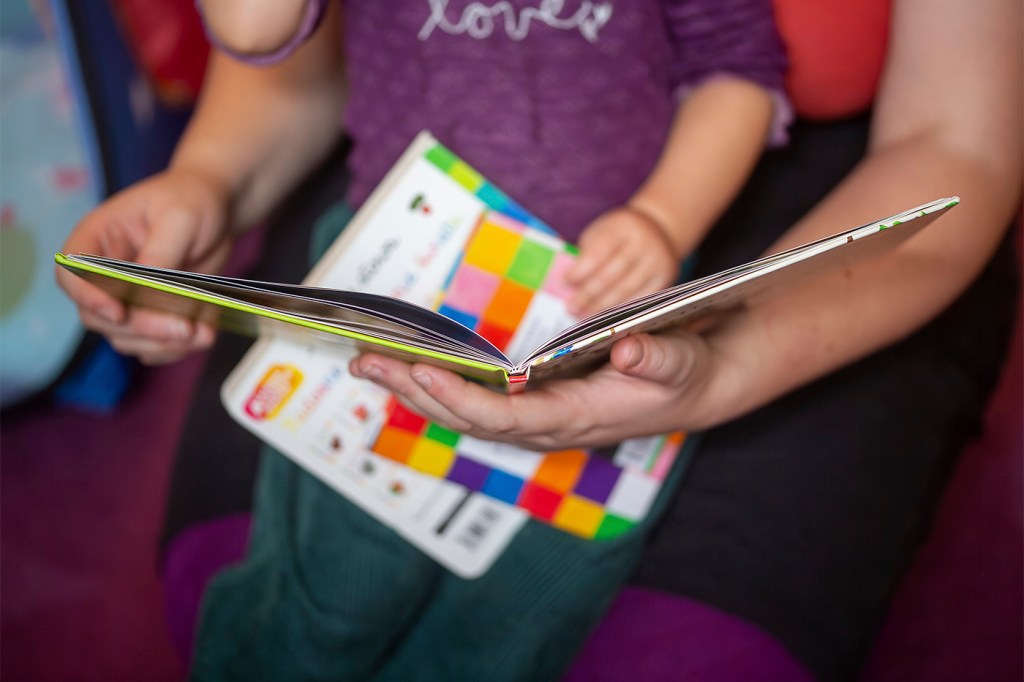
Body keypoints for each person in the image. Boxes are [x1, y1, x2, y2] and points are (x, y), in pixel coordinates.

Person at [55, 1, 794, 680]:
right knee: (332, 589)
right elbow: (253, 29)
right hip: (402, 273)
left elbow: (736, 72)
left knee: (516, 615)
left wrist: (665, 219)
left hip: (604, 292)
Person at [352, 0, 1023, 679]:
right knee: (341, 569)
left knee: (641, 632)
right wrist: (233, 176)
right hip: (421, 207)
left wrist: (720, 349)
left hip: (798, 210)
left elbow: (953, 146)